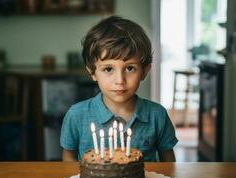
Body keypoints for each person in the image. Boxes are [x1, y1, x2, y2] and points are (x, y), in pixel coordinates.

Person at [60, 15, 178, 162]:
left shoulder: (157, 115)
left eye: (129, 68)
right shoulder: (76, 115)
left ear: (144, 71)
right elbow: (68, 156)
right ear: (92, 72)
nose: (120, 80)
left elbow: (168, 162)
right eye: (108, 69)